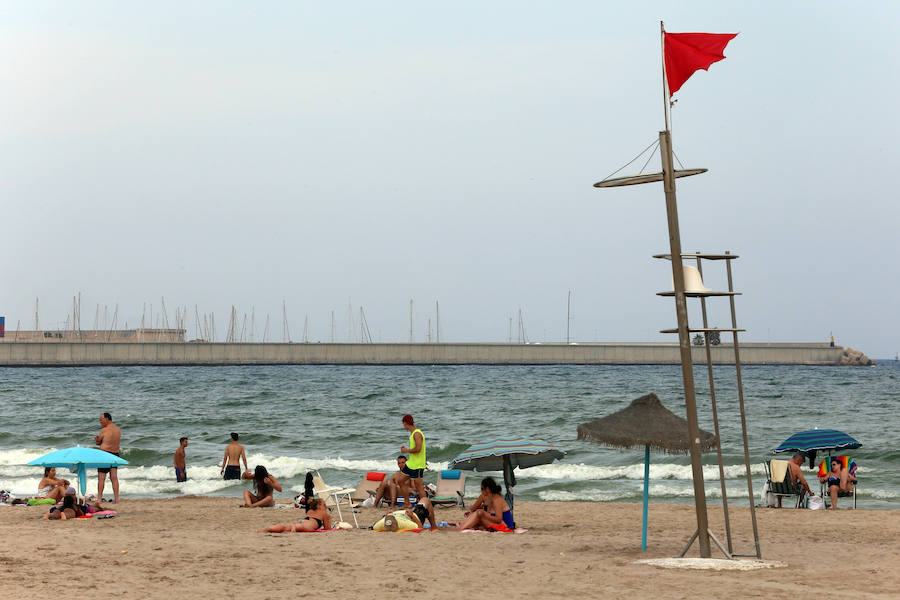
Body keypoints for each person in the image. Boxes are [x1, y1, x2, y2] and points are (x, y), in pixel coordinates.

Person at [398, 414, 427, 509]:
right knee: (400, 481)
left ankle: (426, 506)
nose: (403, 426)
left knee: (419, 487)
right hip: (411, 464)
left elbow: (418, 449)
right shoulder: (413, 433)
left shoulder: (417, 434)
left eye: (403, 424)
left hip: (417, 466)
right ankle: (407, 503)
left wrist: (406, 450)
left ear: (406, 423)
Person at [257, 498, 331, 533]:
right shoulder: (324, 513)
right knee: (297, 527)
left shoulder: (310, 511)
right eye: (324, 505)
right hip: (309, 524)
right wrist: (329, 518)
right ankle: (294, 527)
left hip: (301, 521)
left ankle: (267, 529)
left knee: (284, 527)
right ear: (318, 506)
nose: (326, 506)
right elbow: (327, 529)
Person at [94, 412, 122, 503]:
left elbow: (99, 443)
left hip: (105, 455)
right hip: (115, 454)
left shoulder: (104, 430)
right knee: (114, 477)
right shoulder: (118, 429)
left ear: (107, 419)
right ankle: (117, 499)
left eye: (101, 419)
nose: (100, 422)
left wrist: (97, 439)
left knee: (102, 477)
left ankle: (99, 499)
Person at [373, 496, 437, 531]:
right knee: (425, 499)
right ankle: (434, 526)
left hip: (402, 513)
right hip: (415, 516)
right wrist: (412, 516)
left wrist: (386, 516)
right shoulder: (404, 524)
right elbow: (420, 527)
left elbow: (375, 524)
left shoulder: (380, 525)